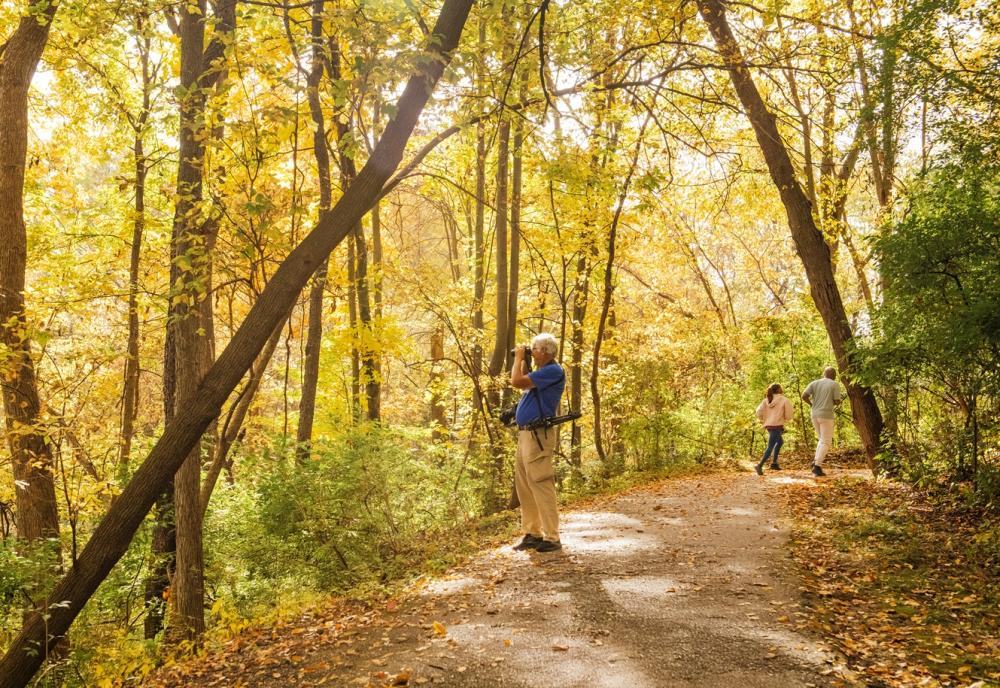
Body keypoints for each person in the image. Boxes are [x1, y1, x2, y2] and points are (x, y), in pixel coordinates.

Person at [510, 333, 566, 553]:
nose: (531, 352)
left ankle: (552, 537)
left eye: (534, 348)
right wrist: (522, 359)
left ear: (546, 352)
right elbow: (523, 379)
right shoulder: (541, 373)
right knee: (525, 486)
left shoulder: (553, 370)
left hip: (538, 436)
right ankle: (533, 533)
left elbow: (516, 381)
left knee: (541, 484)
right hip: (526, 435)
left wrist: (517, 359)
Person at [801, 366, 843, 477]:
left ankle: (815, 462)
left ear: (824, 374)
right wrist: (839, 402)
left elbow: (804, 396)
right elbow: (837, 401)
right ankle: (817, 466)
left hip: (814, 414)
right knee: (826, 441)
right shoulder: (834, 384)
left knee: (821, 439)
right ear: (833, 375)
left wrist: (812, 405)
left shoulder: (814, 383)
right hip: (826, 415)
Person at [754, 383, 794, 475]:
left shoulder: (766, 400)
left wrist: (764, 419)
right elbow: (789, 414)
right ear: (779, 390)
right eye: (781, 388)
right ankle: (759, 465)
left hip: (769, 425)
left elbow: (758, 412)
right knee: (770, 446)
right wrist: (786, 419)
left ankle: (774, 463)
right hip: (777, 425)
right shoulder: (784, 400)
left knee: (780, 442)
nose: (782, 389)